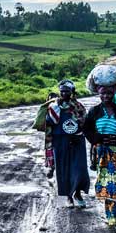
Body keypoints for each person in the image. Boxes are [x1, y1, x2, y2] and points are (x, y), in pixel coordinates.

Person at [82, 84, 116, 233]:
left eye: (109, 93)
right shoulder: (94, 111)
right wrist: (98, 139)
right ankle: (111, 217)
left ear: (113, 94)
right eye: (103, 94)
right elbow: (86, 129)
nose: (106, 96)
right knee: (107, 185)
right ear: (99, 94)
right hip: (103, 154)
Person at [45, 80, 88, 208]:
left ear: (72, 92)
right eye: (62, 91)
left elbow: (84, 122)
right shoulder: (54, 106)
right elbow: (48, 123)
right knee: (63, 170)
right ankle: (68, 197)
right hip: (60, 141)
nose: (64, 94)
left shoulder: (78, 106)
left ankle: (78, 194)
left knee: (79, 168)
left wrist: (77, 134)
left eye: (67, 91)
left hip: (76, 141)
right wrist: (54, 110)